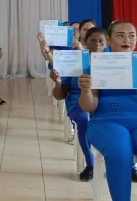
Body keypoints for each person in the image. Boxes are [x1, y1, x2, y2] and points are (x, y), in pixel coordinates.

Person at [78, 20, 137, 200]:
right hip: (106, 122)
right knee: (120, 152)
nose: (127, 39)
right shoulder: (97, 66)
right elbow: (89, 106)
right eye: (120, 35)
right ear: (109, 40)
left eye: (132, 35)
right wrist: (86, 90)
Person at [50, 27, 108, 182]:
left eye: (101, 41)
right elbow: (60, 94)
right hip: (77, 100)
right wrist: (57, 82)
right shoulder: (75, 60)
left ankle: (128, 164)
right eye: (93, 40)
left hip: (105, 100)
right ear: (85, 42)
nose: (97, 45)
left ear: (107, 42)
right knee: (84, 120)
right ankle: (91, 164)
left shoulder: (112, 60)